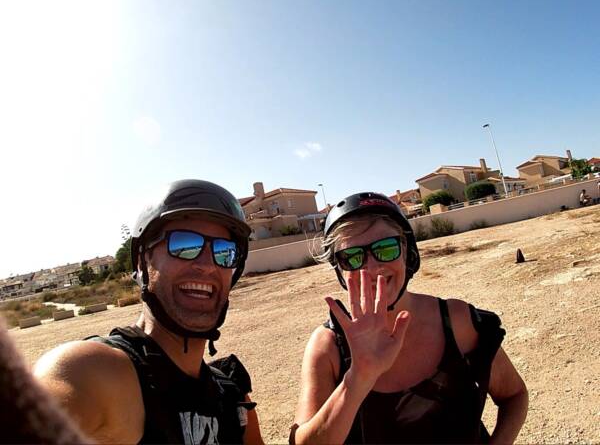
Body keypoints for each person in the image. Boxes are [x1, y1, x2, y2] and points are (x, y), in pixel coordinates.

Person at [34, 179, 263, 444]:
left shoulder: (232, 399)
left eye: (225, 252)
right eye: (183, 244)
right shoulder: (95, 372)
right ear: (142, 261)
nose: (207, 265)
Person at [291, 192, 528, 444]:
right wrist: (358, 378)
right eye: (352, 257)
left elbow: (514, 396)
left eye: (386, 248)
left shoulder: (457, 321)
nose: (371, 269)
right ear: (340, 270)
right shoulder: (328, 347)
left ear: (407, 250)